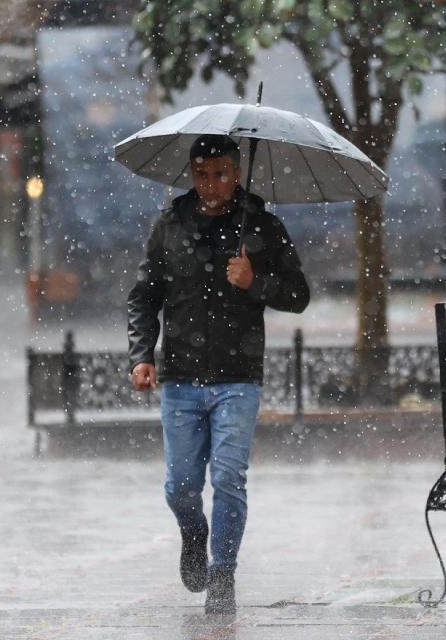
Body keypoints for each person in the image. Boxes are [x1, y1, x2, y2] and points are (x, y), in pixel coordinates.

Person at [127, 134, 310, 614]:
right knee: (181, 486)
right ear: (192, 174)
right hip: (181, 376)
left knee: (229, 477)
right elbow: (144, 295)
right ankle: (194, 532)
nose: (210, 184)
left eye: (221, 174)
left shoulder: (262, 227)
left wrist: (256, 283)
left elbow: (298, 294)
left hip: (238, 377)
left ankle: (223, 572)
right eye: (202, 174)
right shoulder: (168, 225)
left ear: (237, 175)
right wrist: (141, 354)